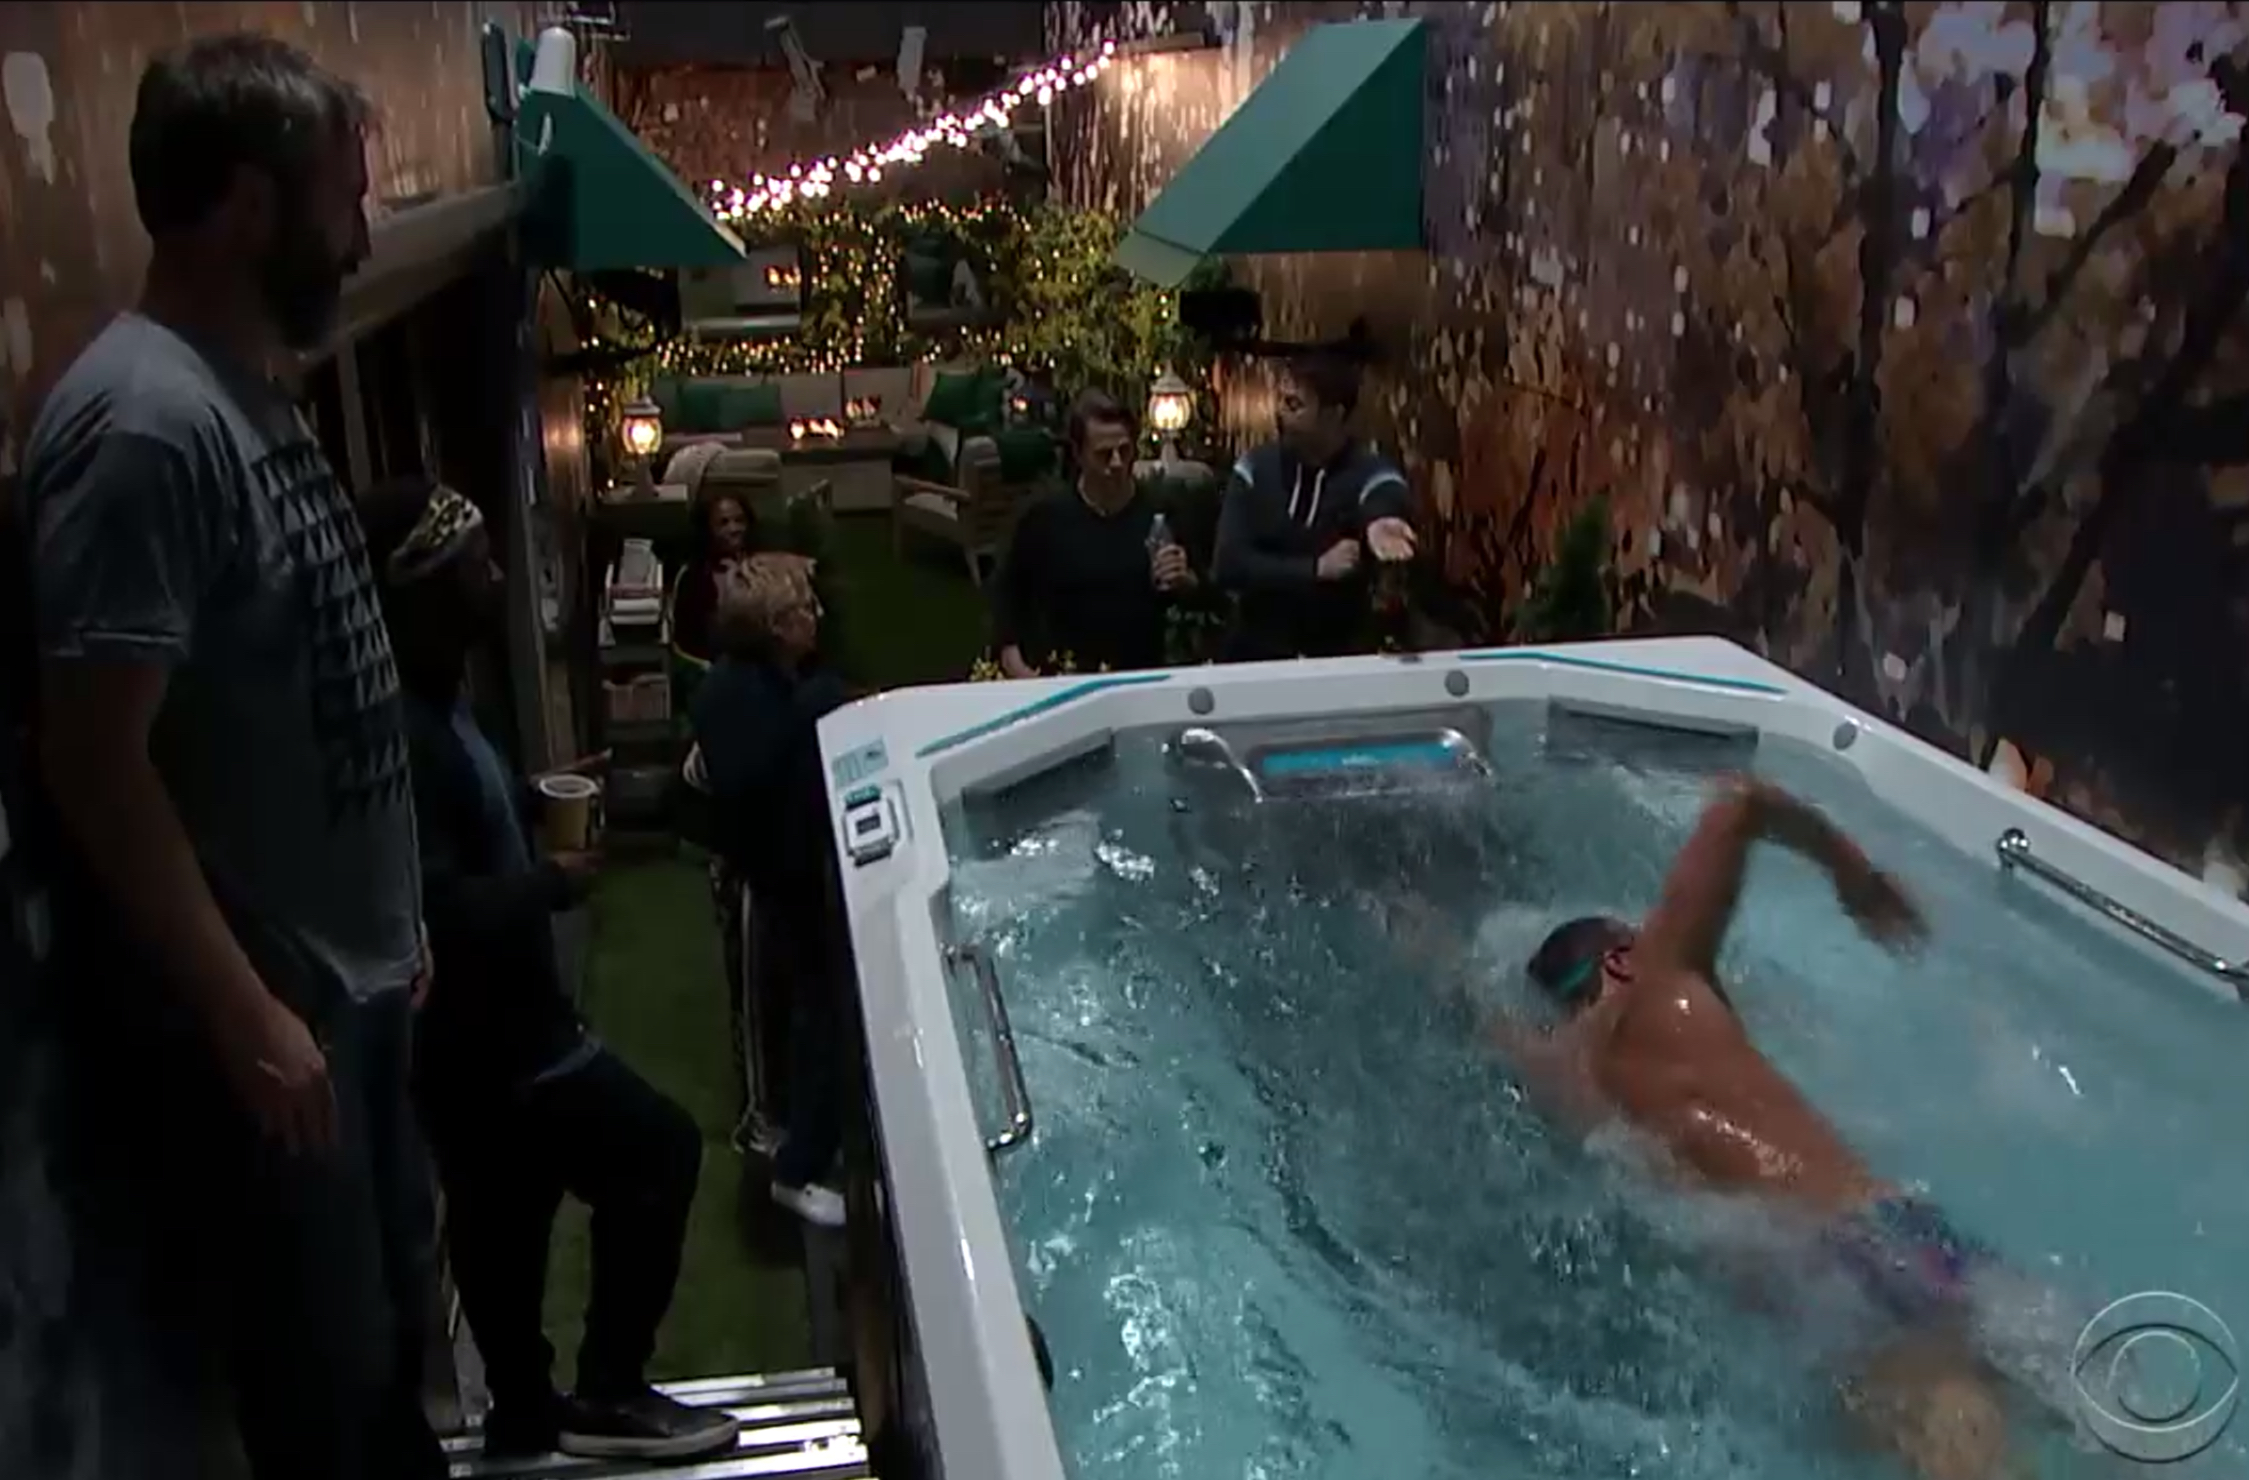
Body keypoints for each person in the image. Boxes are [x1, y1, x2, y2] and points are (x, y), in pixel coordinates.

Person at [15, 36, 443, 1480]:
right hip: (274, 1043)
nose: (363, 236)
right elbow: (93, 761)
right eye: (345, 199)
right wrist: (246, 1010)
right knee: (328, 1416)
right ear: (253, 207)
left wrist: (394, 926)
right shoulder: (144, 429)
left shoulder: (238, 392)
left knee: (382, 1375)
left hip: (346, 1006)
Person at [1400, 777, 2031, 1480]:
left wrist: (1422, 939)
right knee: (2104, 1411)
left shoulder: (1552, 1075)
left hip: (1825, 1280)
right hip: (1900, 1234)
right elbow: (1743, 801)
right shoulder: (1662, 985)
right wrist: (1857, 877)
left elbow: (1462, 997)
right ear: (1621, 959)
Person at [363, 478, 741, 1462]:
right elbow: (430, 906)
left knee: (506, 1216)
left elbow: (462, 829)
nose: (498, 578)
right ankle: (608, 1389)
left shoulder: (447, 696)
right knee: (657, 1150)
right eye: (478, 565)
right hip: (494, 1041)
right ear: (427, 587)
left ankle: (526, 1413)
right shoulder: (401, 731)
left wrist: (531, 797)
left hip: (490, 1045)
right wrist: (551, 883)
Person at [688, 554, 854, 1227]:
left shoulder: (783, 680)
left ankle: (802, 1151)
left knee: (815, 1015)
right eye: (805, 608)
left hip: (795, 878)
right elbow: (749, 787)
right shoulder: (733, 695)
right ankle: (777, 1173)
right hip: (760, 883)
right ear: (775, 626)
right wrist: (810, 714)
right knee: (770, 1021)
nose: (818, 615)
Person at [1213, 351, 1419, 662]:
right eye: (1282, 401)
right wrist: (1314, 569)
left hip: (1337, 662)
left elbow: (1384, 490)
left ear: (1333, 415)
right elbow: (1228, 565)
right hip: (1256, 658)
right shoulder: (1254, 468)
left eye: (1294, 405)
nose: (1280, 413)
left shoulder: (1366, 471)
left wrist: (1381, 521)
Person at [991, 389, 1201, 678]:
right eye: (1104, 455)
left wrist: (1184, 580)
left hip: (1139, 674)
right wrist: (1015, 664)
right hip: (1064, 675)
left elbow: (1206, 593)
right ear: (1078, 455)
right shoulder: (1045, 517)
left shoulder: (1160, 512)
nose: (1116, 463)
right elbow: (1007, 596)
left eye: (1124, 451)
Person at [668, 488, 758, 669]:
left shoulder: (765, 567)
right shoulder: (692, 577)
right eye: (723, 523)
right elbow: (684, 641)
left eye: (740, 520)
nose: (734, 529)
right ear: (707, 530)